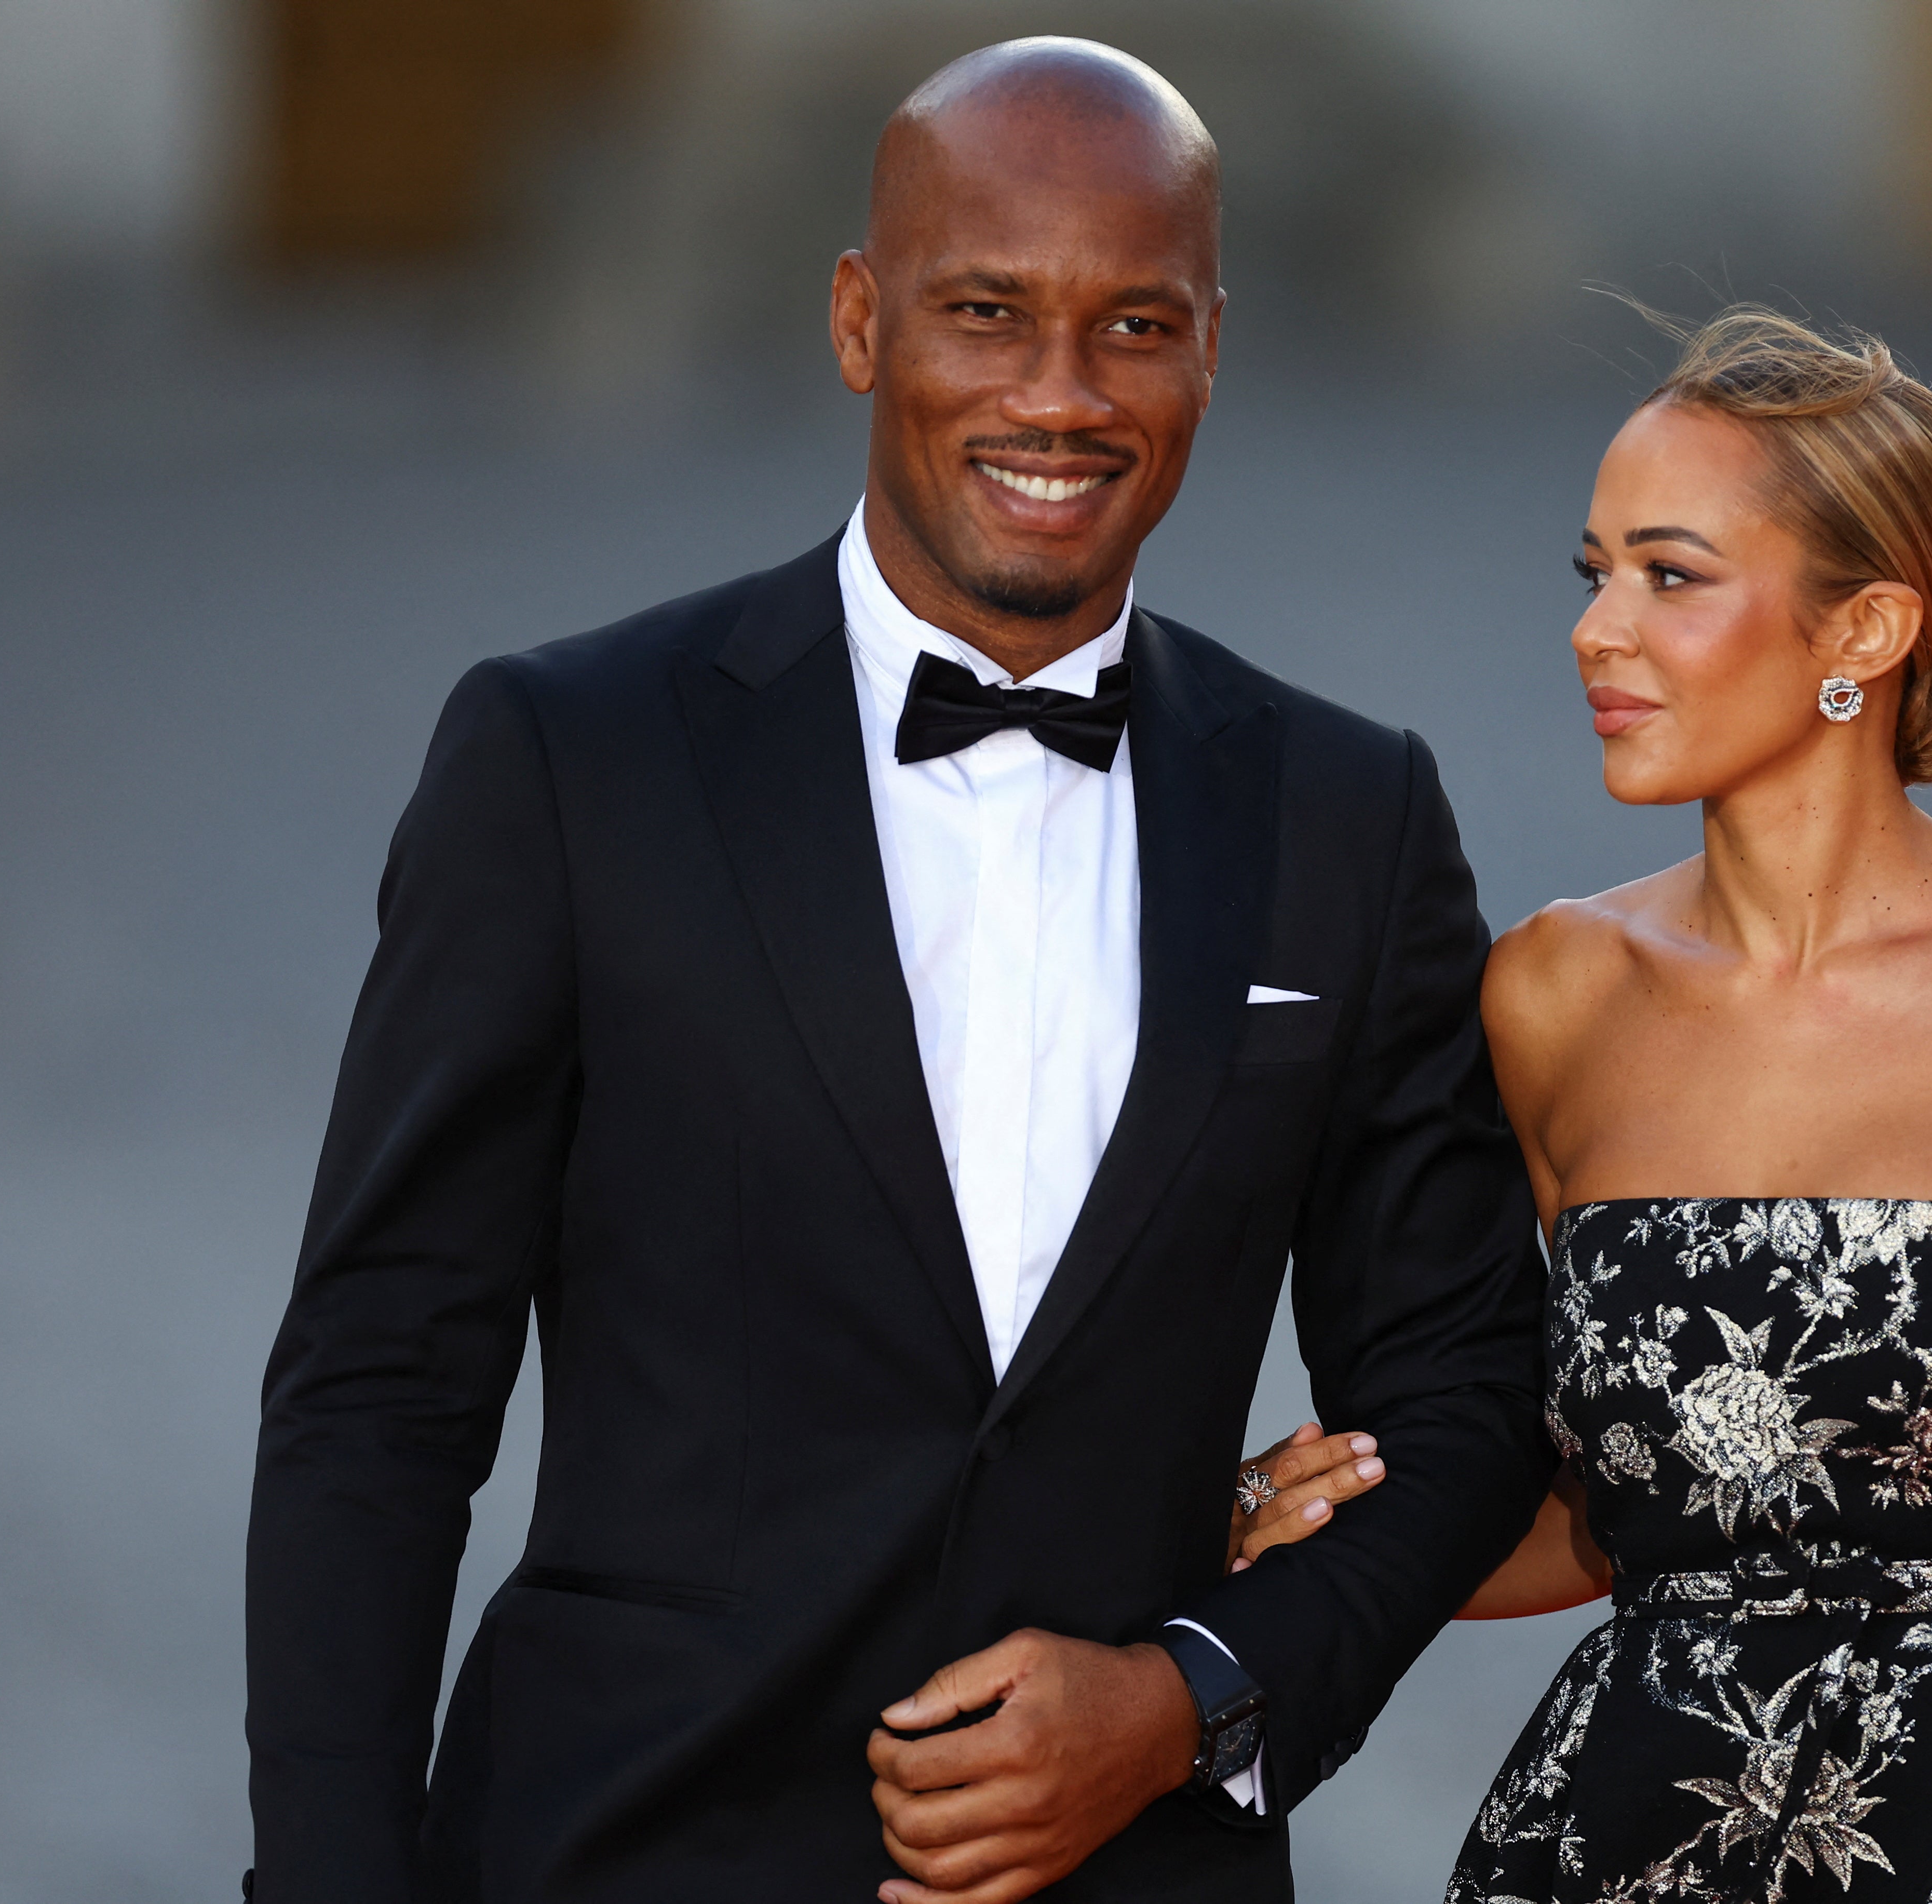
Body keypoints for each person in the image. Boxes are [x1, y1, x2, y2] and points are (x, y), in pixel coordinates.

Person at [241, 38, 1552, 1904]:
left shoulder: (1346, 812)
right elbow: (380, 1386)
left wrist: (1189, 1698)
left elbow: (1460, 1400)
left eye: (1134, 326)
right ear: (861, 321)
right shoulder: (570, 754)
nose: (1058, 394)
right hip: (619, 1844)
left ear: (1208, 349)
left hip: (1127, 1862)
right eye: (985, 312)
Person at [1233, 308, 1932, 1902]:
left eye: (1669, 575)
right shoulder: (1549, 998)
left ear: (1865, 631)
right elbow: (1618, 1521)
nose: (1597, 629)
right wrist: (1298, 1516)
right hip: (1642, 1830)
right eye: (1591, 571)